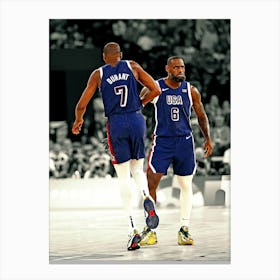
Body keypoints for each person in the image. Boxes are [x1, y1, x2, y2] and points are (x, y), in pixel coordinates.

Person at [72, 42, 161, 251]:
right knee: (137, 168)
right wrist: (142, 102)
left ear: (104, 57)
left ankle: (133, 230)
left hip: (116, 123)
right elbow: (155, 89)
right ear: (120, 55)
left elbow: (81, 104)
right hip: (137, 119)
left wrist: (78, 120)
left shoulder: (98, 74)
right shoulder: (133, 66)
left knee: (123, 176)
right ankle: (147, 197)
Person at [139, 56, 213, 246]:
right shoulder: (155, 87)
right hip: (162, 142)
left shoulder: (191, 90)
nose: (180, 70)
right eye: (176, 67)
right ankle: (151, 229)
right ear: (168, 69)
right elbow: (137, 107)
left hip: (184, 142)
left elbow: (201, 115)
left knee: (185, 185)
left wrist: (207, 138)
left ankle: (184, 229)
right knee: (151, 182)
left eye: (182, 67)